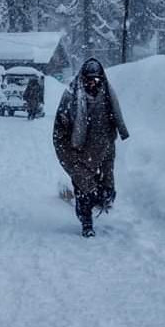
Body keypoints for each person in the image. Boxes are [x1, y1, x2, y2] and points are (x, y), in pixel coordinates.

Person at [52, 57, 129, 238]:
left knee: (105, 193)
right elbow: (59, 135)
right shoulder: (70, 99)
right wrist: (71, 159)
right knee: (84, 192)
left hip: (104, 153)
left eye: (96, 79)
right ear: (82, 78)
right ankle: (87, 224)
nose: (93, 83)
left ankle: (97, 203)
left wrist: (108, 158)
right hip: (78, 155)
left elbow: (112, 130)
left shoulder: (108, 97)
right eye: (89, 79)